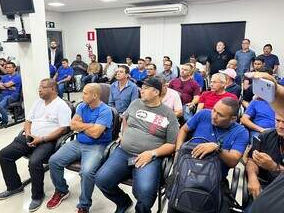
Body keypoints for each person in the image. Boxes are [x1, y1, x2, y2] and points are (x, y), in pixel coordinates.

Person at [95, 77, 179, 213]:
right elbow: (125, 118)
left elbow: (171, 145)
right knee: (101, 180)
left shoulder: (169, 115)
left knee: (145, 194)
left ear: (156, 92)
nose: (142, 91)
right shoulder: (135, 103)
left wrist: (152, 153)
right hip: (124, 152)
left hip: (149, 157)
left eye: (146, 88)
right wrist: (123, 134)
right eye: (142, 88)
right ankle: (123, 202)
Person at [0, 79, 72, 212]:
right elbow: (28, 121)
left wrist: (41, 139)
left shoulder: (61, 106)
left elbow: (63, 129)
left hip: (47, 140)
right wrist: (28, 133)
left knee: (34, 162)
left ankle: (37, 196)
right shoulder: (37, 103)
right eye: (39, 87)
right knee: (4, 154)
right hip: (29, 137)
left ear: (53, 89)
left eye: (43, 87)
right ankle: (14, 187)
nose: (39, 90)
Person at [169, 98, 249, 213]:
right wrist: (178, 151)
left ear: (233, 119)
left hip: (213, 180)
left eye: (220, 115)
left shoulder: (241, 132)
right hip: (186, 173)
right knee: (174, 202)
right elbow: (184, 130)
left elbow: (233, 161)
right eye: (214, 110)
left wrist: (218, 148)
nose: (214, 116)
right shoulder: (203, 114)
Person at [47, 83, 113, 213]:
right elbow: (72, 126)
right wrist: (91, 125)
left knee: (87, 172)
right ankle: (61, 190)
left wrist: (81, 125)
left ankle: (84, 205)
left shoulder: (106, 111)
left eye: (85, 93)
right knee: (54, 161)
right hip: (78, 143)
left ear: (94, 95)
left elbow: (96, 134)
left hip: (97, 146)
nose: (82, 95)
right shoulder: (82, 106)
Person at [245, 113, 284, 212]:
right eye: (278, 120)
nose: (280, 126)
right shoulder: (267, 135)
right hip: (263, 188)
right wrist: (252, 177)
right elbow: (251, 160)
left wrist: (274, 167)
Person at [0, 62, 22, 128]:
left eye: (10, 67)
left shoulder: (18, 77)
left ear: (14, 68)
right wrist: (9, 87)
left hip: (13, 95)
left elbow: (6, 85)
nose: (7, 69)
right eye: (6, 67)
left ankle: (4, 121)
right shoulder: (4, 76)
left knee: (0, 105)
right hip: (3, 94)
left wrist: (5, 85)